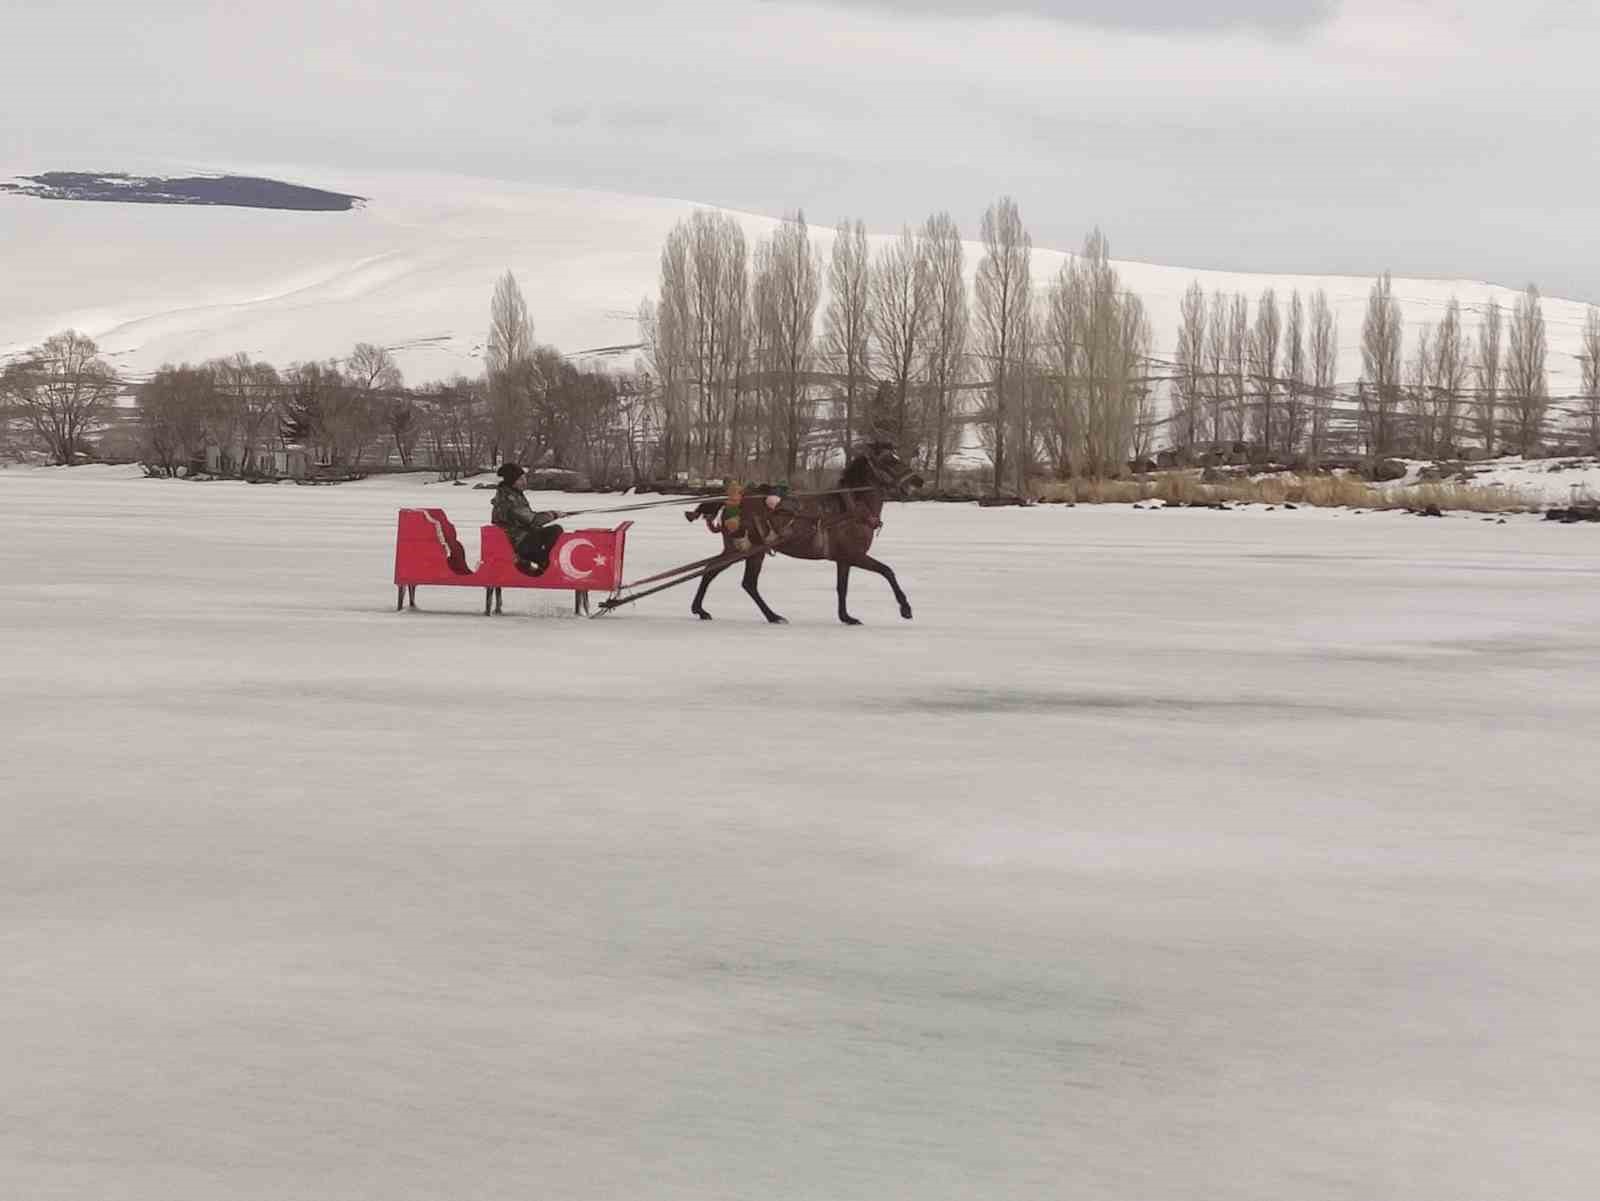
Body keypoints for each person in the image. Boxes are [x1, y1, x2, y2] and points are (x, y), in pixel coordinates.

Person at [491, 463, 563, 575]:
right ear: (512, 481)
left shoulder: (514, 494)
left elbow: (528, 519)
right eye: (521, 479)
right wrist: (554, 514)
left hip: (521, 536)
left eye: (524, 478)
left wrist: (552, 515)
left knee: (554, 530)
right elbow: (532, 520)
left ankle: (543, 562)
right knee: (542, 535)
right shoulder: (509, 499)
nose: (525, 481)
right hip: (516, 541)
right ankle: (542, 562)